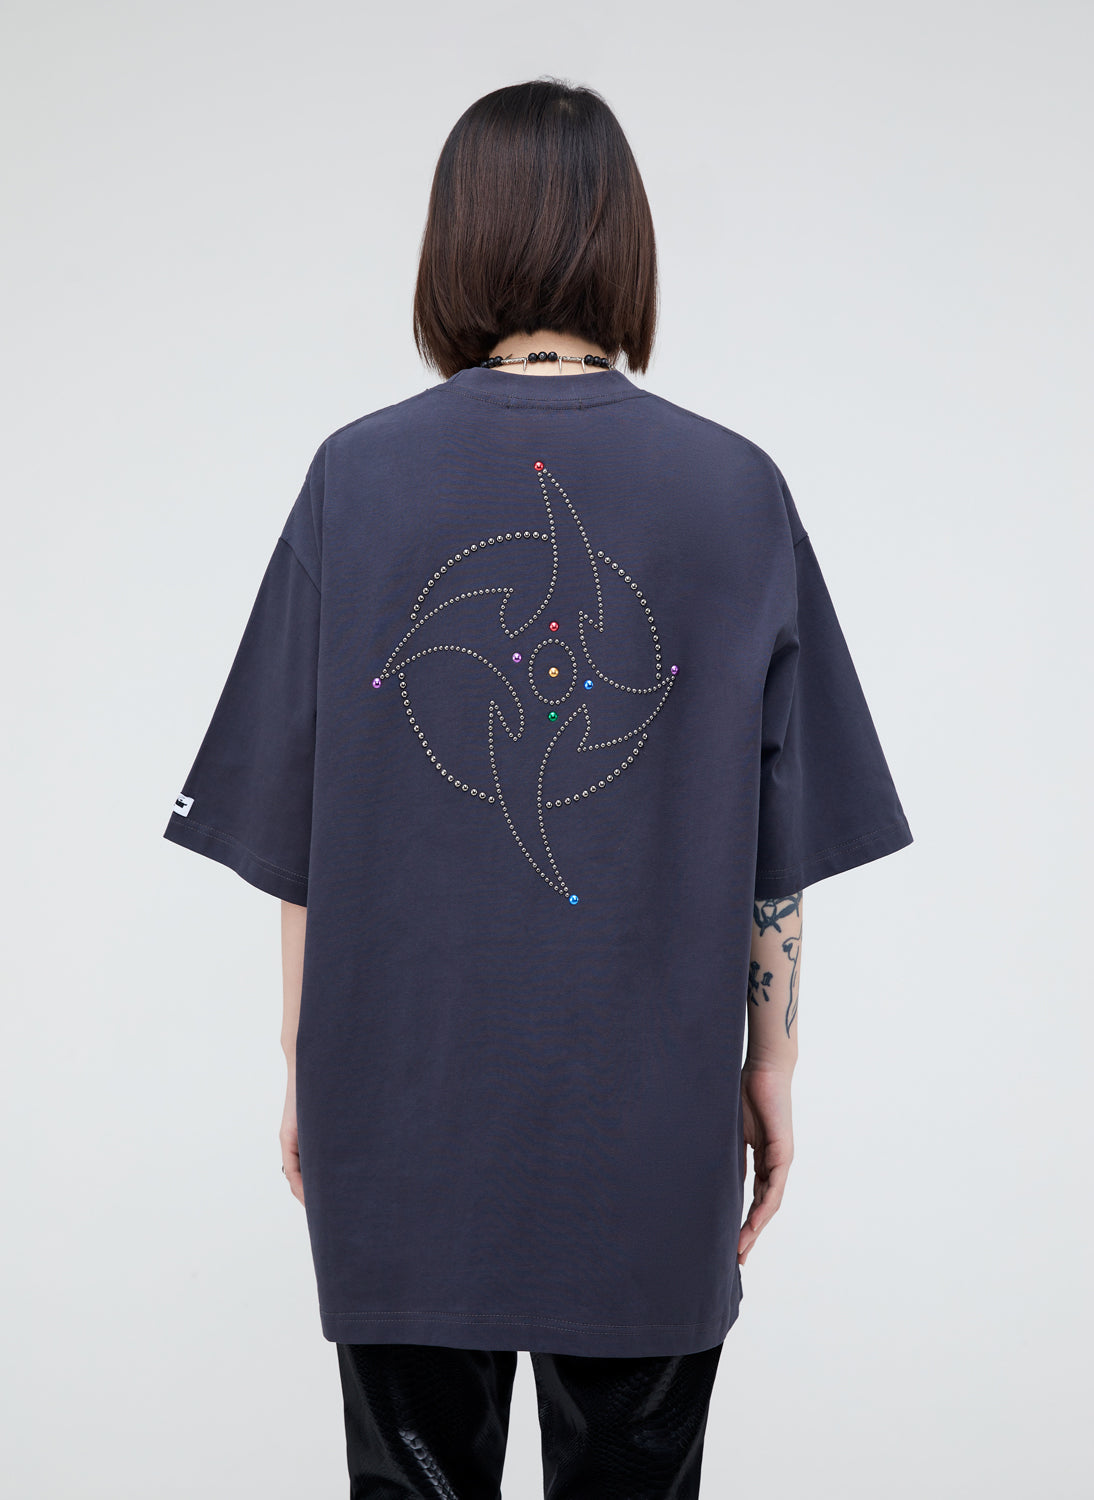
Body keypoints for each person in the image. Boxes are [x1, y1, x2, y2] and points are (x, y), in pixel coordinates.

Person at [163, 77, 913, 1500]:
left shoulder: (356, 479)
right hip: (650, 1128)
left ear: (452, 243)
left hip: (400, 1109)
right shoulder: (734, 489)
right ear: (627, 246)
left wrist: (304, 1064)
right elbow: (778, 844)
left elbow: (301, 834)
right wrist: (769, 1068)